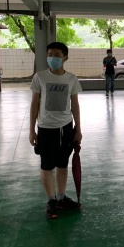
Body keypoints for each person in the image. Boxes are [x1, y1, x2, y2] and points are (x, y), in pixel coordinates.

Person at [30, 42, 83, 219]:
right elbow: (34, 104)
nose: (53, 58)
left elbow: (75, 105)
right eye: (50, 55)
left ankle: (61, 198)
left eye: (57, 55)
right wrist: (31, 130)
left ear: (65, 57)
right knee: (46, 165)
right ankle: (51, 200)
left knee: (62, 163)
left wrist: (78, 129)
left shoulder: (71, 78)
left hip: (66, 127)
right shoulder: (40, 77)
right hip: (46, 128)